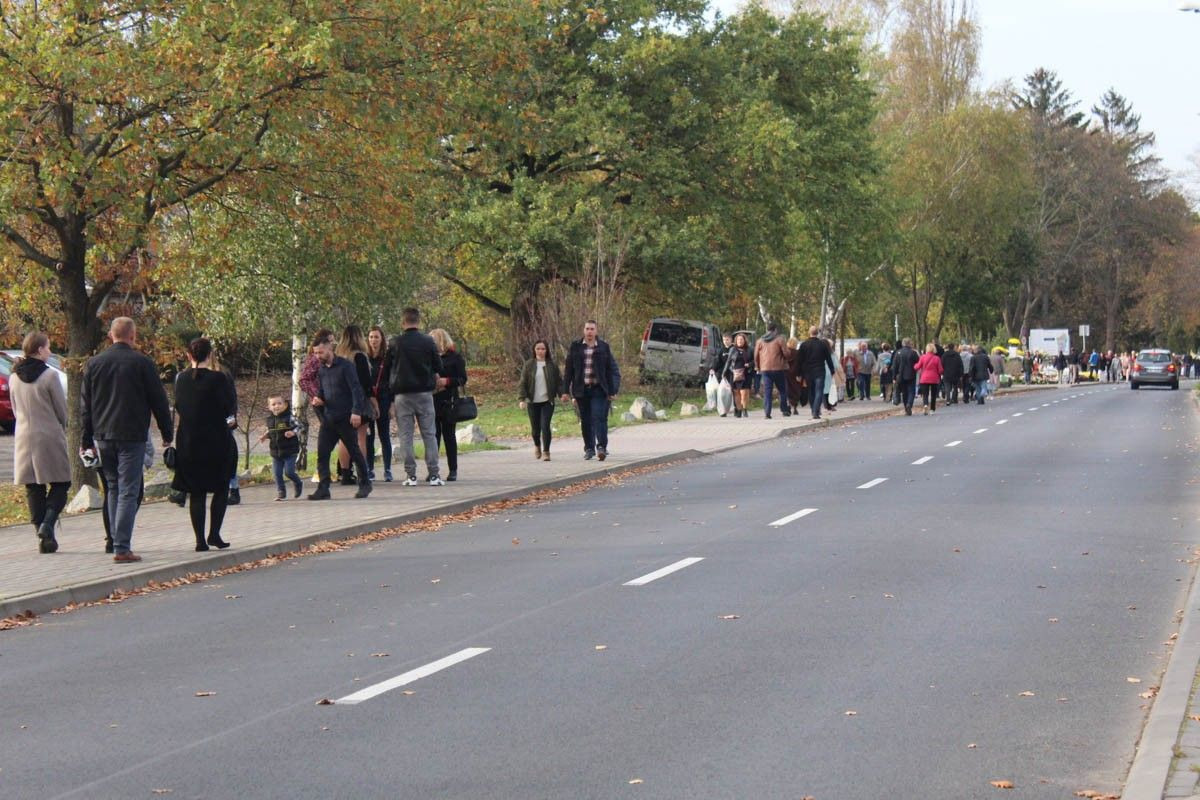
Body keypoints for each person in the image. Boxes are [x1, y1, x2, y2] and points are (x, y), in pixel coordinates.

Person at [80, 317, 173, 563]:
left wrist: (86, 439)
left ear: (111, 335)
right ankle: (122, 547)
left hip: (103, 435)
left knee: (113, 487)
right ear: (133, 336)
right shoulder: (142, 363)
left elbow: (86, 406)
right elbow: (158, 401)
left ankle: (114, 541)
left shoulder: (94, 364)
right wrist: (167, 433)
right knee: (129, 490)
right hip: (131, 434)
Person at [171, 338, 238, 551]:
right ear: (210, 355)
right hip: (216, 439)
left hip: (189, 441)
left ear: (189, 356)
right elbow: (229, 407)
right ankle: (214, 534)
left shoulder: (180, 379)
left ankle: (199, 540)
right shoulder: (219, 378)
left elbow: (179, 406)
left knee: (196, 491)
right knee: (220, 487)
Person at [11, 332, 71, 554]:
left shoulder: (14, 376)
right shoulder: (49, 376)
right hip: (49, 434)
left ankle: (44, 538)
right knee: (61, 482)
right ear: (38, 350)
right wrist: (62, 425)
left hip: (24, 435)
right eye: (47, 347)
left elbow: (16, 409)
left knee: (33, 486)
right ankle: (48, 522)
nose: (50, 351)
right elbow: (60, 410)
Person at [308, 330, 372, 499]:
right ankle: (324, 488)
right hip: (329, 418)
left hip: (345, 416)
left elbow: (356, 389)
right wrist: (319, 399)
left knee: (354, 451)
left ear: (330, 349)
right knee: (322, 453)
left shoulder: (345, 366)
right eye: (315, 353)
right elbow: (323, 390)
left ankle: (365, 483)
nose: (317, 356)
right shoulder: (322, 370)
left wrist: (356, 412)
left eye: (320, 352)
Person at [386, 307, 444, 485]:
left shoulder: (395, 343)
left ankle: (410, 475)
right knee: (429, 434)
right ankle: (434, 474)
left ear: (403, 322)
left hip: (402, 395)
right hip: (424, 393)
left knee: (406, 436)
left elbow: (388, 367)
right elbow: (438, 366)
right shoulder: (428, 341)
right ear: (418, 321)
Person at [562, 320, 621, 459]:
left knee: (598, 416)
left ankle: (601, 447)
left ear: (596, 331)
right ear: (584, 330)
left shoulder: (603, 347)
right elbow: (569, 370)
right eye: (587, 329)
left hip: (598, 389)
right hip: (581, 390)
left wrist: (612, 392)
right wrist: (565, 391)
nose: (589, 331)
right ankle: (589, 448)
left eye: (592, 329)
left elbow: (609, 370)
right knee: (586, 420)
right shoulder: (576, 346)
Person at [335, 325, 373, 486]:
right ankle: (362, 472)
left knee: (344, 439)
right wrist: (373, 401)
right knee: (360, 438)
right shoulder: (359, 357)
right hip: (358, 401)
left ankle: (345, 473)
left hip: (340, 402)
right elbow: (366, 383)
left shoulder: (337, 357)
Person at [430, 328, 467, 482]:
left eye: (433, 340)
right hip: (432, 400)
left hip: (449, 401)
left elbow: (462, 379)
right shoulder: (429, 358)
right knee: (433, 437)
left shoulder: (455, 357)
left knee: (449, 436)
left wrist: (447, 381)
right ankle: (433, 469)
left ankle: (453, 470)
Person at [518, 339, 561, 461]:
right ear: (534, 350)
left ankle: (546, 451)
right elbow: (523, 382)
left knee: (545, 426)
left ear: (546, 350)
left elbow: (558, 382)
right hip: (533, 402)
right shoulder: (529, 365)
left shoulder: (552, 365)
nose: (541, 351)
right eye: (538, 349)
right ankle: (537, 445)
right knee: (535, 429)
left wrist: (562, 393)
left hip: (547, 401)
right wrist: (522, 399)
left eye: (543, 349)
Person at [259, 394, 303, 500]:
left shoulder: (289, 417)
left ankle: (298, 482)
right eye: (273, 404)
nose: (277, 406)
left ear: (285, 405)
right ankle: (281, 492)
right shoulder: (269, 420)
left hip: (290, 451)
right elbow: (271, 431)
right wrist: (265, 436)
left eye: (279, 403)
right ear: (269, 407)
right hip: (276, 452)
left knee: (289, 472)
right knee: (277, 473)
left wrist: (293, 432)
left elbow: (301, 426)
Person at [365, 325, 394, 482]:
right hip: (369, 400)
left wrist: (392, 404)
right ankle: (370, 469)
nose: (373, 340)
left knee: (384, 435)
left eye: (376, 337)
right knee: (369, 436)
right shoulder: (364, 357)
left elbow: (392, 381)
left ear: (382, 339)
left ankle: (388, 469)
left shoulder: (388, 357)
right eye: (371, 337)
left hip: (384, 398)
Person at [795, 327, 836, 420]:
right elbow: (828, 358)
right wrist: (832, 370)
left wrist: (798, 374)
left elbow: (799, 361)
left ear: (809, 332)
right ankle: (815, 411)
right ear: (817, 333)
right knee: (819, 391)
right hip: (820, 371)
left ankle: (813, 409)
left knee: (811, 391)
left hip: (808, 372)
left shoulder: (804, 345)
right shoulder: (822, 344)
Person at [753, 322, 791, 418]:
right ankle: (784, 410)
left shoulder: (760, 341)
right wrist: (787, 356)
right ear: (775, 330)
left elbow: (756, 355)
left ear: (767, 329)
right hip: (778, 369)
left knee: (767, 391)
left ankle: (767, 413)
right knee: (782, 390)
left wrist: (758, 367)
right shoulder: (780, 339)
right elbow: (786, 354)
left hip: (765, 370)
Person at [722, 332, 754, 418]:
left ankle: (745, 408)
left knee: (744, 393)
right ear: (736, 341)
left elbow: (755, 361)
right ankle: (739, 410)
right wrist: (724, 372)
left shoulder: (750, 349)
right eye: (738, 339)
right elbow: (728, 361)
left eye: (741, 339)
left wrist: (750, 364)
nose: (740, 341)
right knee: (736, 393)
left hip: (746, 374)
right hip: (734, 374)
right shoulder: (733, 349)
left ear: (744, 340)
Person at [891, 338, 920, 415]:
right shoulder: (913, 353)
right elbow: (918, 363)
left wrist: (894, 377)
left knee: (904, 392)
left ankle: (906, 407)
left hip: (901, 376)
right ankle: (909, 404)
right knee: (911, 391)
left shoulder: (898, 353)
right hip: (911, 375)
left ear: (903, 344)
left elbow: (895, 366)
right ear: (909, 343)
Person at [916, 343, 944, 415]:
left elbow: (917, 367)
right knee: (933, 395)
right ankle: (932, 409)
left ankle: (925, 404)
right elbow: (940, 370)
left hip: (924, 378)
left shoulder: (922, 357)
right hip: (934, 379)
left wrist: (914, 366)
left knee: (925, 394)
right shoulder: (937, 358)